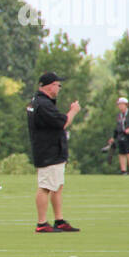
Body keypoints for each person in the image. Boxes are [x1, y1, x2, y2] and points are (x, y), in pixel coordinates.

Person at [27, 71, 81, 232]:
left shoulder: (40, 102)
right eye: (58, 85)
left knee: (57, 185)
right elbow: (62, 122)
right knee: (45, 186)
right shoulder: (42, 104)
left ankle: (59, 220)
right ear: (50, 86)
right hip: (48, 151)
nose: (59, 88)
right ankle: (42, 223)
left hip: (53, 150)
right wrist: (73, 111)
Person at [105, 96, 129, 174]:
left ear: (126, 105)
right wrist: (113, 137)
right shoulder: (119, 115)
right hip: (120, 135)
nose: (120, 106)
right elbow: (117, 127)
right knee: (121, 153)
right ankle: (123, 170)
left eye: (122, 104)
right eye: (119, 105)